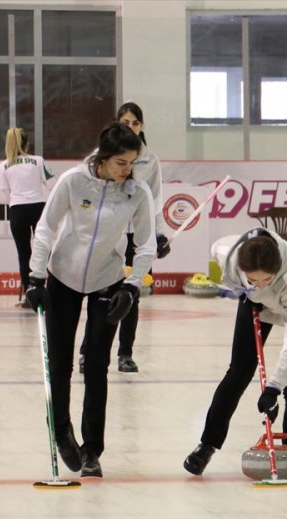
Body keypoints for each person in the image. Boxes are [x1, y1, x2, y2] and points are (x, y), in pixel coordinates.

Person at [24, 122, 156, 479]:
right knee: (60, 362)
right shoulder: (73, 181)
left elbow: (145, 245)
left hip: (107, 280)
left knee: (97, 366)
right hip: (63, 277)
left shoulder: (137, 192)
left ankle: (92, 449)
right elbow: (46, 227)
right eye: (121, 163)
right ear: (103, 158)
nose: (128, 171)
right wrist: (36, 275)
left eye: (132, 163)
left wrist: (131, 286)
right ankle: (61, 430)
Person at [183, 228, 287, 476]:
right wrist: (251, 291)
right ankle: (206, 445)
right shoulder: (227, 253)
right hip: (256, 304)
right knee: (238, 372)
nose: (260, 284)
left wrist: (273, 388)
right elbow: (217, 245)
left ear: (277, 270)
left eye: (266, 280)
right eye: (253, 279)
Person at [79, 102, 170, 373]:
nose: (130, 127)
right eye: (125, 122)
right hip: (109, 232)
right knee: (101, 291)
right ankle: (88, 351)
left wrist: (159, 234)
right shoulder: (101, 154)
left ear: (141, 127)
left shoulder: (150, 158)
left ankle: (125, 354)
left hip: (138, 235)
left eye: (135, 123)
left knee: (131, 295)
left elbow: (155, 198)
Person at [0, 127, 53, 308]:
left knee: (24, 255)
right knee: (44, 252)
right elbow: (52, 184)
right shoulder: (38, 161)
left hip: (17, 210)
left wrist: (15, 204)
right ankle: (50, 293)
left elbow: (6, 193)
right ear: (27, 144)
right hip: (38, 208)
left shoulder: (3, 165)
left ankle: (30, 298)